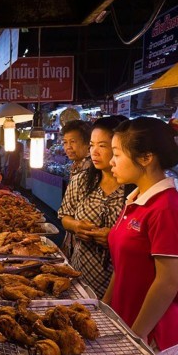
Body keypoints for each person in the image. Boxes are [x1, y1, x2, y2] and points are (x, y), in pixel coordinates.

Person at [103, 117, 178, 355]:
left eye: (116, 154)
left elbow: (168, 282)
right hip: (127, 323)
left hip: (152, 334)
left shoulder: (167, 208)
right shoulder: (135, 200)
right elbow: (123, 265)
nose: (111, 161)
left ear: (146, 158)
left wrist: (135, 337)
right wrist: (103, 307)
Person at [58, 116, 130, 298]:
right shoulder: (81, 181)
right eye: (92, 145)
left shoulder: (133, 189)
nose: (94, 152)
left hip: (119, 282)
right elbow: (64, 216)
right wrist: (75, 226)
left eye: (103, 146)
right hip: (79, 274)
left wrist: (113, 239)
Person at [60, 119, 93, 257]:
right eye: (65, 142)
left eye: (73, 142)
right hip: (74, 241)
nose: (68, 147)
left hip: (86, 245)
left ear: (87, 143)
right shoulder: (77, 166)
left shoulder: (90, 169)